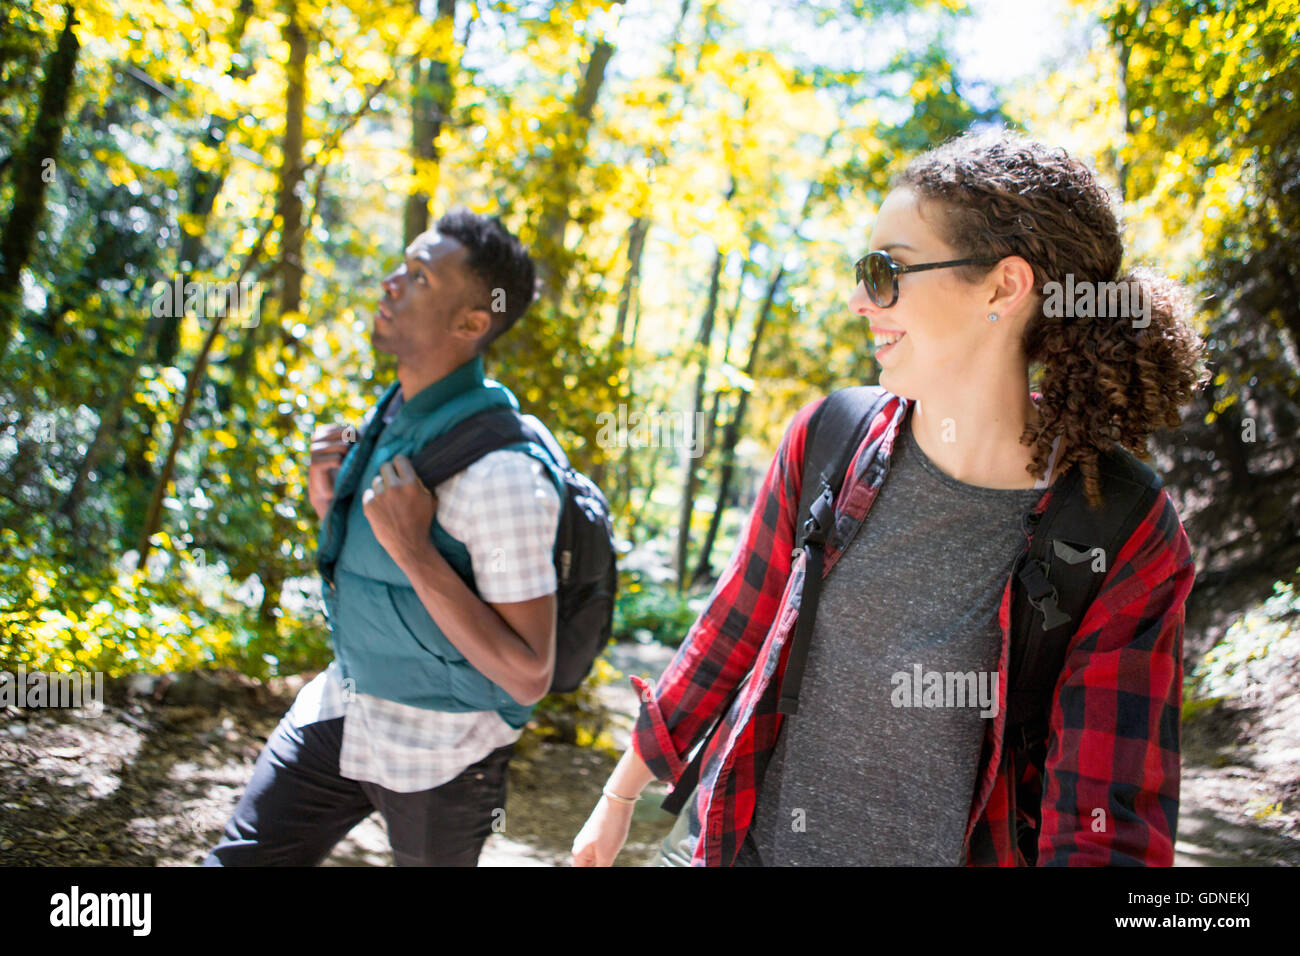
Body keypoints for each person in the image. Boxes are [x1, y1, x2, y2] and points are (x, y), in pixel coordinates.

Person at [571, 129, 1207, 867]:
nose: (858, 299)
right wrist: (617, 800)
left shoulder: (1123, 529)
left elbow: (1104, 823)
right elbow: (731, 631)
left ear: (1004, 287)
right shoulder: (829, 437)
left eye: (887, 271)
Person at [204, 209, 563, 867]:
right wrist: (329, 506)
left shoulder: (505, 474)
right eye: (403, 264)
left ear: (472, 323)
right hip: (343, 706)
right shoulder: (390, 416)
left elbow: (529, 672)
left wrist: (414, 550)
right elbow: (380, 572)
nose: (392, 282)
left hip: (445, 753)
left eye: (420, 277)